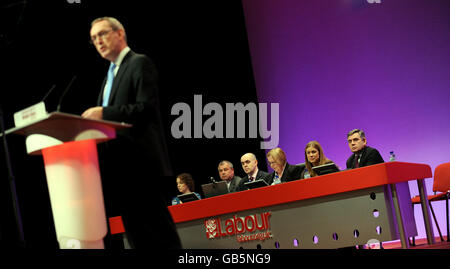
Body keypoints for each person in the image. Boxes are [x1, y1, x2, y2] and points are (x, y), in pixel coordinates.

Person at [81, 17, 180, 249]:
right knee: (138, 237)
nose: (99, 41)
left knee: (159, 233)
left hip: (141, 165)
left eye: (103, 34)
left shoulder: (139, 63)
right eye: (94, 38)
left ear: (120, 34)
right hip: (119, 168)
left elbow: (145, 109)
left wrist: (103, 113)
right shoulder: (109, 76)